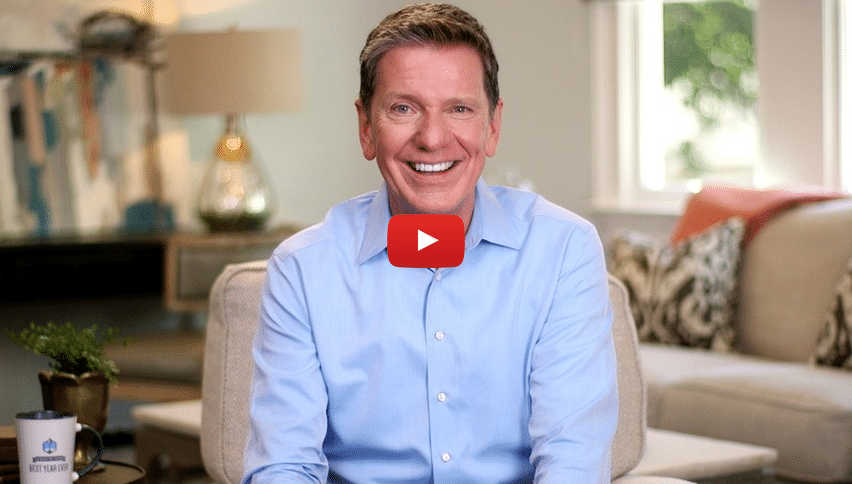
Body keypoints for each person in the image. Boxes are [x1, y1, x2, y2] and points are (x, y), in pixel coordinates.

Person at [242, 3, 618, 483]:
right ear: (366, 127)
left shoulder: (563, 251)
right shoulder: (302, 270)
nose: (433, 138)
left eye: (459, 109)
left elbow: (572, 462)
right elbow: (284, 466)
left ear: (492, 126)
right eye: (404, 109)